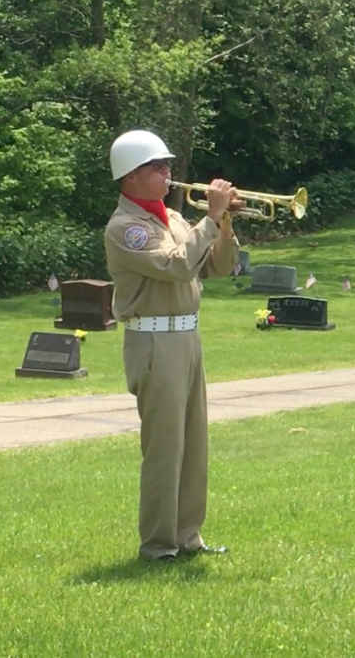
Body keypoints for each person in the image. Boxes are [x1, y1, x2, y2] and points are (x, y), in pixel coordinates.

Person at [104, 129, 239, 561]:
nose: (168, 173)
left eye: (166, 165)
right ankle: (158, 544)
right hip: (154, 340)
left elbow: (218, 268)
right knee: (165, 447)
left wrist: (225, 223)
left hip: (186, 336)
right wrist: (209, 217)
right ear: (130, 176)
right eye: (157, 167)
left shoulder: (174, 219)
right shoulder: (126, 229)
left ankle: (188, 535)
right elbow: (178, 266)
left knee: (195, 443)